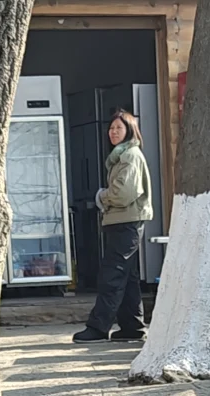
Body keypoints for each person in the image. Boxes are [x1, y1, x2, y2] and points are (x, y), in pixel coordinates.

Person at [73, 109, 154, 344]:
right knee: (127, 276)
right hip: (125, 220)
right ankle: (132, 327)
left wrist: (102, 196)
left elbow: (123, 194)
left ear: (129, 131)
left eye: (119, 128)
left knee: (113, 274)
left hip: (126, 220)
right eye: (111, 128)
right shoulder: (123, 156)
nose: (113, 132)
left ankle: (98, 327)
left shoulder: (130, 155)